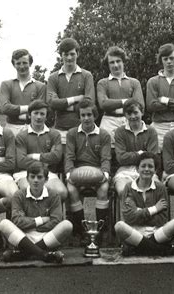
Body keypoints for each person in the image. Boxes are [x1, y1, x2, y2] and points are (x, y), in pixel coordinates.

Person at [0, 162, 71, 263]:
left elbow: (56, 220)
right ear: (27, 179)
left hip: (46, 235)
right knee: (4, 223)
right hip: (23, 236)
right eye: (32, 177)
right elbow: (17, 221)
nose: (35, 180)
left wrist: (32, 226)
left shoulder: (54, 195)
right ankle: (43, 254)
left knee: (67, 225)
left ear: (46, 180)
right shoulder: (19, 195)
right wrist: (40, 220)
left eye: (39, 177)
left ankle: (22, 254)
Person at [114, 152, 174, 256]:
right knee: (119, 226)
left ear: (155, 171)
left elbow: (162, 219)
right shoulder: (128, 188)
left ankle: (140, 248)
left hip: (156, 232)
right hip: (135, 231)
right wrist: (154, 209)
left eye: (150, 166)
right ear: (137, 169)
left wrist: (138, 212)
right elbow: (128, 217)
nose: (146, 169)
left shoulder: (161, 188)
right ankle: (157, 249)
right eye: (143, 166)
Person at [65, 99, 111, 243]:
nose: (86, 118)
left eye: (89, 115)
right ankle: (81, 230)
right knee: (71, 190)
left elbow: (105, 158)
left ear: (95, 116)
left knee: (104, 189)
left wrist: (105, 173)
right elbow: (69, 157)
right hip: (78, 171)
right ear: (79, 117)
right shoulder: (72, 133)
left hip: (96, 171)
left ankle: (100, 230)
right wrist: (69, 173)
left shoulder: (104, 135)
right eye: (83, 115)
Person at [14, 100, 67, 202]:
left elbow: (56, 157)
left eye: (42, 114)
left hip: (47, 173)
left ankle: (52, 216)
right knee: (30, 190)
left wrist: (33, 156)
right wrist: (46, 160)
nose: (39, 117)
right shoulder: (21, 136)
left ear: (46, 117)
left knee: (62, 192)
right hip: (25, 173)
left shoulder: (54, 134)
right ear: (29, 115)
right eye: (36, 113)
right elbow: (21, 161)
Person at [47, 38, 95, 145]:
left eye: (72, 54)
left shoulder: (86, 75)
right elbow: (51, 104)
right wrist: (76, 99)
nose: (69, 57)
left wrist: (62, 106)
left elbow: (89, 103)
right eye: (66, 54)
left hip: (82, 129)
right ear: (61, 55)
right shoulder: (53, 78)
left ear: (77, 54)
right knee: (61, 160)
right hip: (60, 129)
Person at [97, 46, 144, 145]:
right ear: (108, 65)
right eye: (112, 62)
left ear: (123, 62)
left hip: (130, 120)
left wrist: (113, 104)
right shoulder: (102, 83)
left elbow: (139, 104)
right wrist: (127, 101)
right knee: (108, 151)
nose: (115, 65)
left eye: (118, 61)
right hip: (109, 121)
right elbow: (103, 104)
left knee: (131, 150)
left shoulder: (134, 82)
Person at [113, 99, 158, 199]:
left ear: (142, 112)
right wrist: (142, 153)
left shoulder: (151, 131)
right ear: (125, 115)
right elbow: (121, 158)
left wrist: (130, 156)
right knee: (123, 191)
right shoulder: (120, 132)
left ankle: (149, 213)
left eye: (135, 112)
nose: (133, 116)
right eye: (129, 113)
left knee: (153, 191)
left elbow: (153, 157)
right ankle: (129, 214)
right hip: (125, 170)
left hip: (147, 169)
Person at [0, 49, 46, 136]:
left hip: (33, 128)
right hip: (11, 129)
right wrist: (30, 108)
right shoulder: (6, 84)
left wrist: (14, 115)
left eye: (24, 63)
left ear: (30, 63)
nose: (21, 66)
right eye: (18, 63)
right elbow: (5, 108)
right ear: (14, 65)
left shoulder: (40, 86)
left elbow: (39, 110)